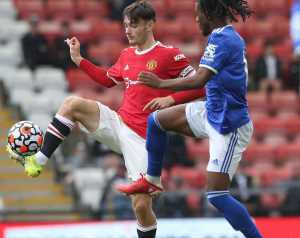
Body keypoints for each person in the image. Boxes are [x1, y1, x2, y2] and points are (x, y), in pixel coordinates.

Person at [7, 1, 205, 238]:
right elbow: (106, 79)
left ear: (150, 24)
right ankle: (38, 160)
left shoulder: (169, 55)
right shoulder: (127, 54)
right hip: (119, 124)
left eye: (133, 25)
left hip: (144, 141)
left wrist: (170, 99)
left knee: (141, 206)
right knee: (72, 104)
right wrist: (79, 59)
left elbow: (199, 86)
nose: (128, 30)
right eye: (125, 25)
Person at [117, 0, 263, 237]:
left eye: (197, 15)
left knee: (217, 196)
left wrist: (161, 84)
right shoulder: (222, 36)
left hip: (229, 125)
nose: (195, 20)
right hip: (212, 111)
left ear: (209, 12)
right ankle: (152, 180)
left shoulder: (224, 39)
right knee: (156, 120)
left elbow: (200, 79)